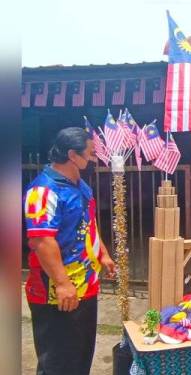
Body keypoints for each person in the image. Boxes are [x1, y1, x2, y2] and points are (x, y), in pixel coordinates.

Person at [24, 127, 116, 375]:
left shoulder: (80, 185)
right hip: (55, 291)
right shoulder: (42, 192)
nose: (94, 158)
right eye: (90, 153)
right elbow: (42, 241)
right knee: (58, 359)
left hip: (84, 285)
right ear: (73, 155)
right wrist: (63, 283)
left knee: (80, 355)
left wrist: (103, 254)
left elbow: (88, 223)